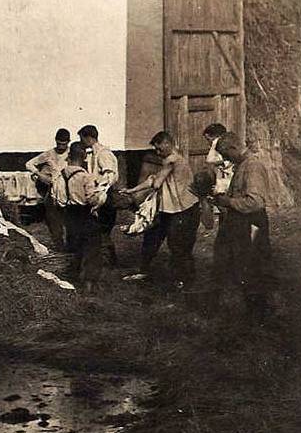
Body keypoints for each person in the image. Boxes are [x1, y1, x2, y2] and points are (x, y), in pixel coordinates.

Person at [122, 130, 201, 287]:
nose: (158, 153)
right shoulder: (171, 160)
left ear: (167, 143)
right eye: (156, 150)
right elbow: (154, 181)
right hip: (169, 208)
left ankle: (184, 280)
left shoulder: (171, 160)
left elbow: (156, 183)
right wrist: (133, 190)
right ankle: (145, 270)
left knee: (178, 244)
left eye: (159, 149)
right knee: (153, 236)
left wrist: (138, 189)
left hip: (182, 209)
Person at [212, 133, 277, 315]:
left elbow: (255, 202)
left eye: (225, 154)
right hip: (242, 222)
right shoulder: (242, 166)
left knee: (254, 264)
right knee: (244, 263)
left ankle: (260, 311)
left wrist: (228, 202)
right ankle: (254, 308)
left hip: (252, 222)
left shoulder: (253, 167)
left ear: (233, 148)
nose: (224, 159)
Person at [57, 142, 102, 290]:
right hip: (85, 213)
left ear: (69, 156)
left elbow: (59, 199)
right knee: (91, 246)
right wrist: (99, 197)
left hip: (70, 213)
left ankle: (73, 278)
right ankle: (88, 282)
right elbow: (91, 199)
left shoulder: (62, 175)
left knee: (74, 244)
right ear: (83, 157)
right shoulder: (85, 177)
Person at [78, 124, 120, 266]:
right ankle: (108, 260)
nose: (82, 143)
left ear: (89, 138)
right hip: (100, 196)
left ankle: (108, 261)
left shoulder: (103, 154)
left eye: (82, 139)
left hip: (105, 197)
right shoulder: (93, 154)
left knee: (102, 230)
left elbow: (110, 176)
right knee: (100, 231)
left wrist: (99, 193)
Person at [25, 128, 70, 249]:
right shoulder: (49, 154)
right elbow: (29, 164)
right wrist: (40, 175)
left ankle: (71, 246)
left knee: (70, 218)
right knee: (53, 217)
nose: (61, 146)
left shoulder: (71, 153)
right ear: (55, 141)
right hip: (52, 189)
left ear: (68, 142)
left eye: (64, 144)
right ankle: (58, 244)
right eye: (59, 143)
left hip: (69, 190)